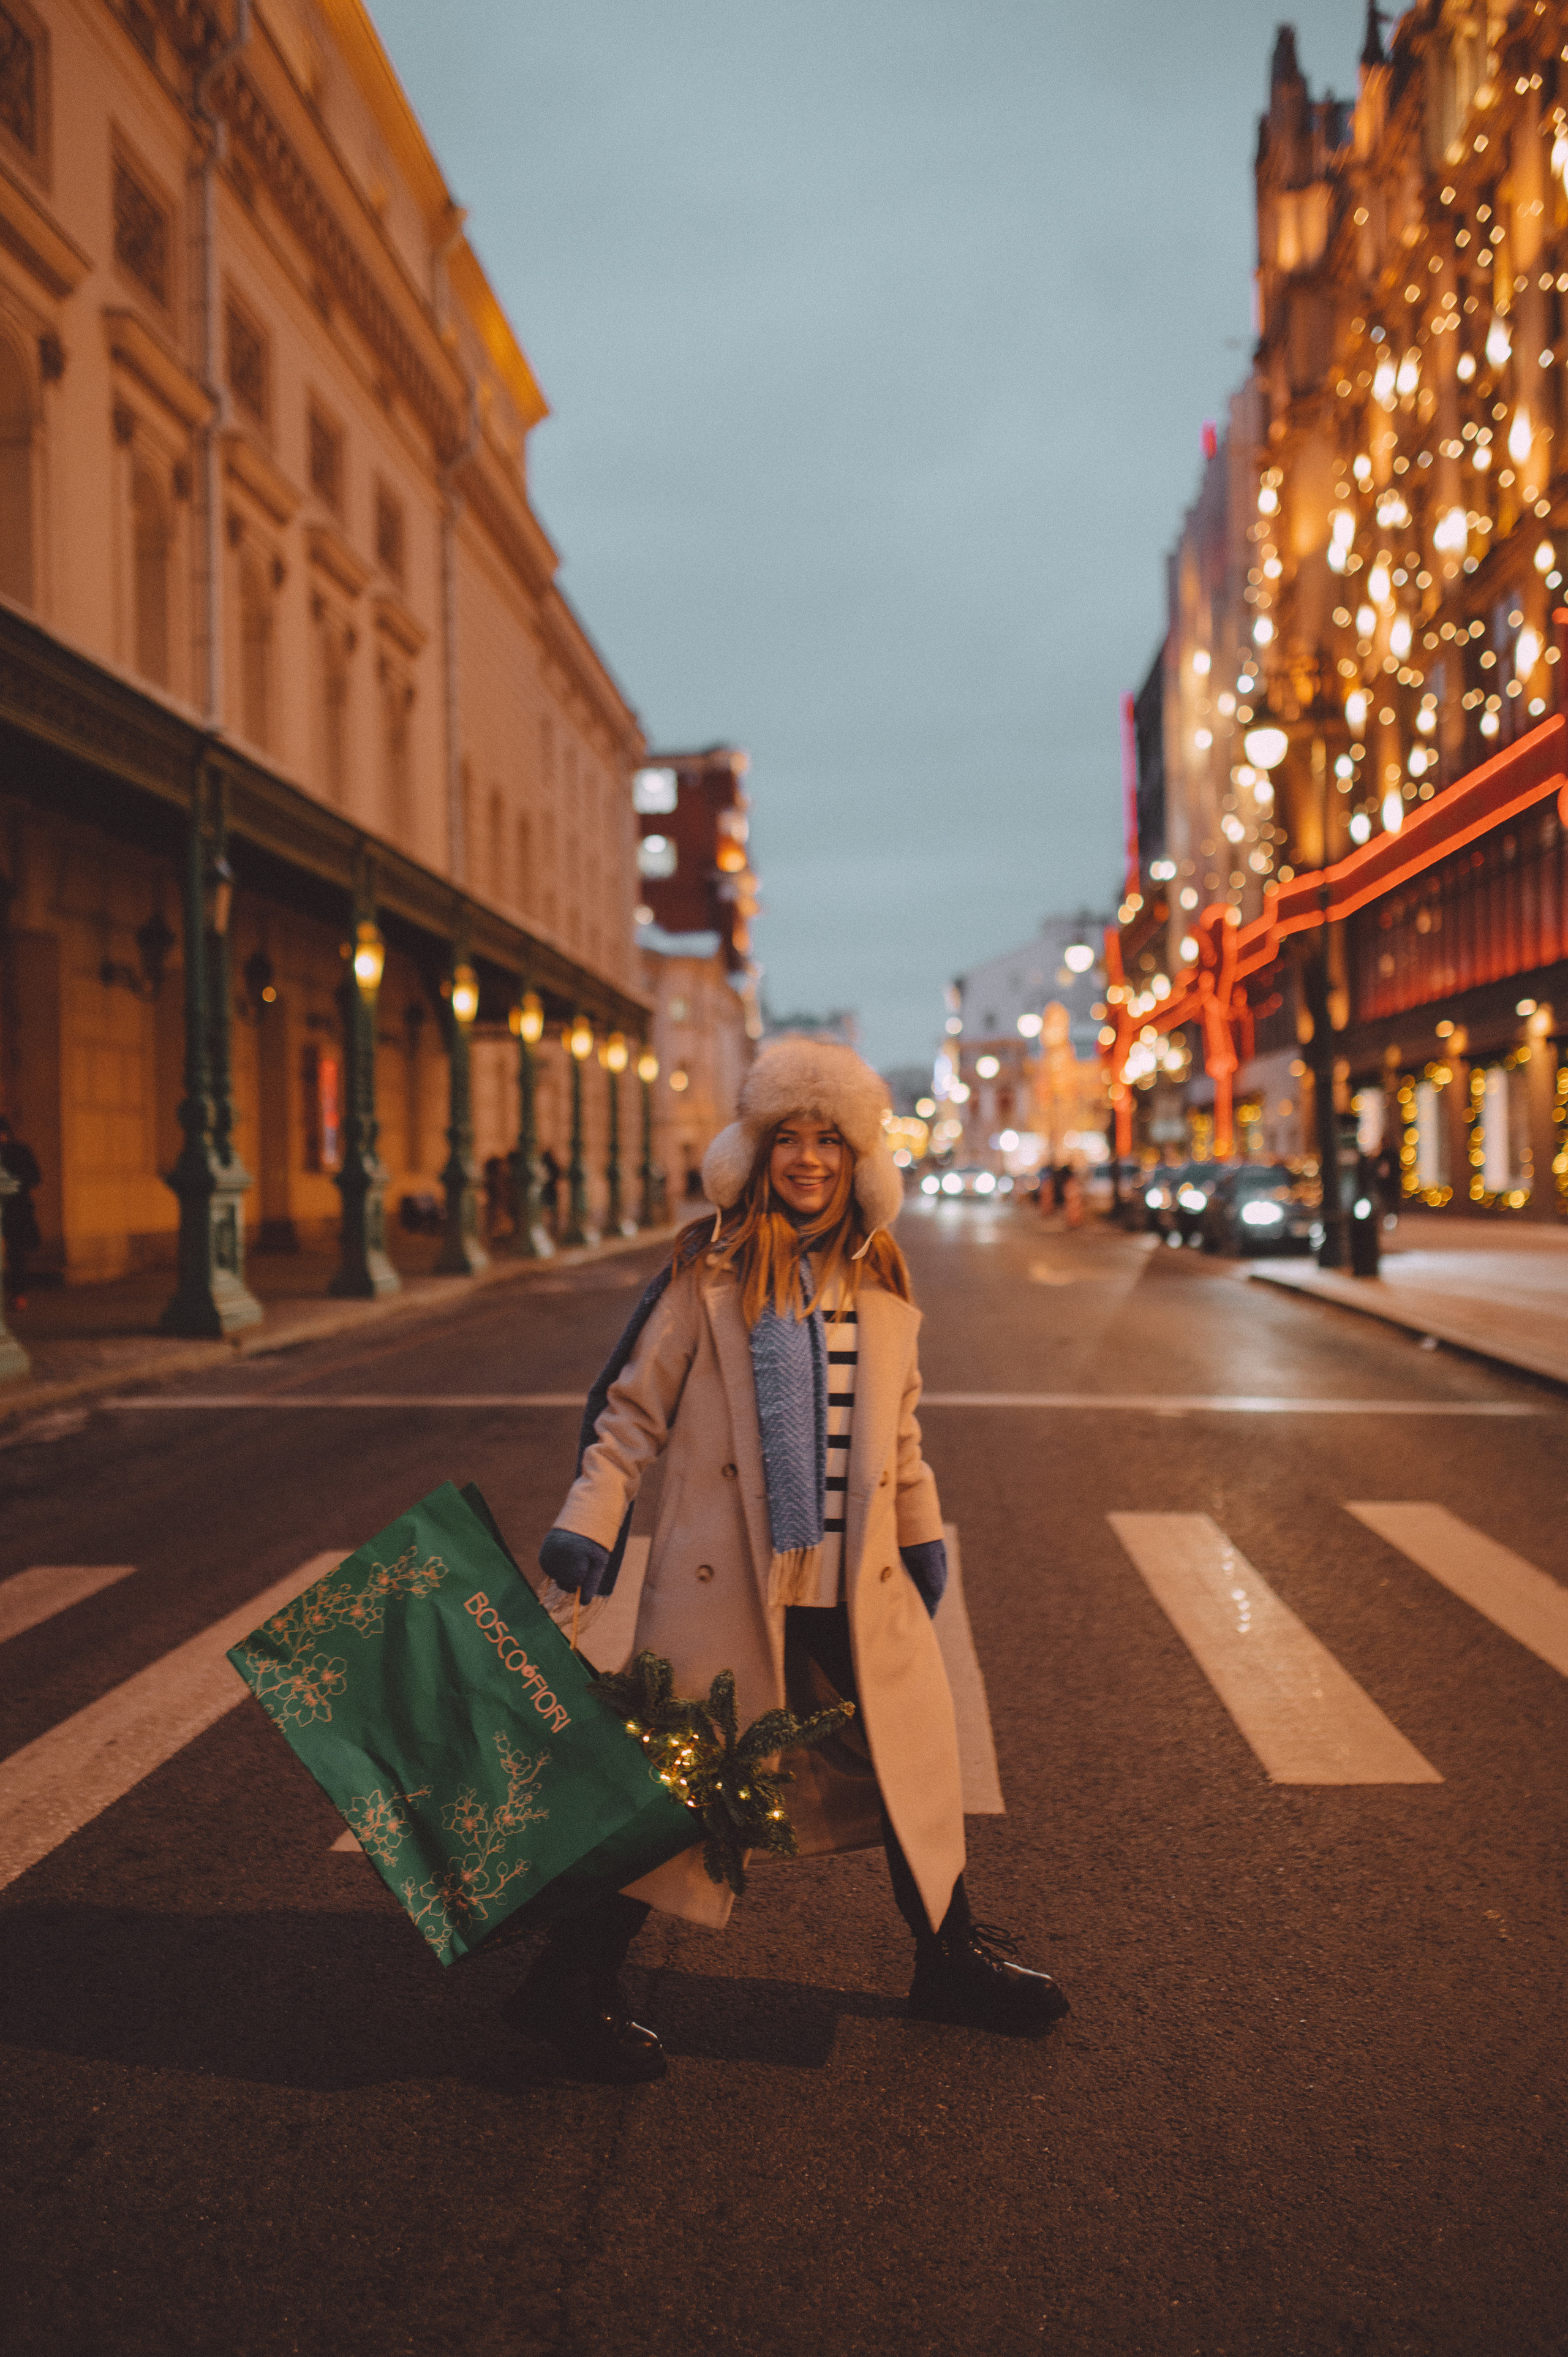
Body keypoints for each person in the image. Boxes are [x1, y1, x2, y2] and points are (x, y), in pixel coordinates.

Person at [510, 1037, 1068, 2082]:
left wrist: (920, 1531)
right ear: (756, 1152)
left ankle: (946, 1958)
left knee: (915, 1759)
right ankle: (565, 1981)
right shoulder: (708, 1270)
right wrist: (591, 1518)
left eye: (829, 1140)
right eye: (788, 1139)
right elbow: (631, 1415)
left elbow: (900, 1433)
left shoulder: (883, 1279)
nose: (808, 1160)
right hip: (732, 1583)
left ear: (860, 1158)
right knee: (688, 1786)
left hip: (851, 1583)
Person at [0, 1117, 42, 1306]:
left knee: (15, 1252)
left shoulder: (19, 1152)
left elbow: (34, 1177)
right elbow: (35, 1177)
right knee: (15, 1252)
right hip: (15, 1208)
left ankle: (19, 1295)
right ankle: (18, 1295)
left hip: (15, 1209)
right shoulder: (21, 1151)